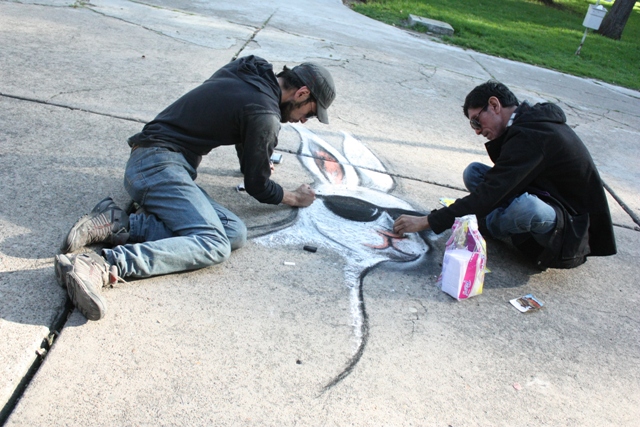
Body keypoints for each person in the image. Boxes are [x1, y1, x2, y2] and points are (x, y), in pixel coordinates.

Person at [55, 55, 336, 321]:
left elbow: (240, 119)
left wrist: (254, 158)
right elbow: (258, 186)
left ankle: (121, 224)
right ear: (301, 93)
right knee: (214, 245)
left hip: (154, 161)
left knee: (233, 233)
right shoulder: (265, 115)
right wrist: (293, 197)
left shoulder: (251, 69)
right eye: (309, 113)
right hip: (157, 167)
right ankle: (102, 265)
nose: (303, 120)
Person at [394, 80, 616, 269]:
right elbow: (497, 183)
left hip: (569, 232)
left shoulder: (533, 135)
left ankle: (485, 224)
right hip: (547, 197)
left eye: (476, 121)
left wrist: (428, 221)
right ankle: (493, 218)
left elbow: (490, 193)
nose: (477, 131)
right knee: (474, 172)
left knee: (526, 208)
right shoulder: (525, 124)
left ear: (494, 105)